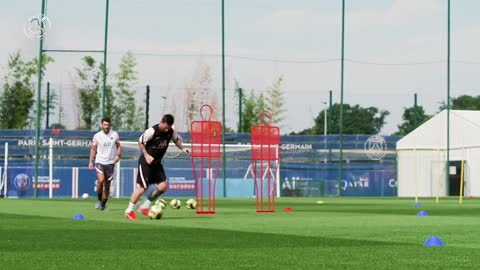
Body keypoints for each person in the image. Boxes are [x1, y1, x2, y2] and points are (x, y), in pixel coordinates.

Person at [124, 114, 190, 220]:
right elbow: (140, 141)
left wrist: (182, 148)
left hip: (157, 164)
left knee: (163, 186)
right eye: (165, 126)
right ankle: (129, 210)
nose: (167, 129)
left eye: (169, 127)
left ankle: (145, 206)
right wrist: (146, 155)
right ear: (162, 122)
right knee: (142, 188)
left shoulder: (171, 132)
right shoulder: (152, 131)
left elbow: (176, 140)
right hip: (146, 163)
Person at [89, 117, 122, 211]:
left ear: (110, 125)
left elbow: (119, 146)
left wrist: (118, 155)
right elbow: (93, 149)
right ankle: (99, 200)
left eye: (108, 125)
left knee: (107, 185)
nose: (106, 126)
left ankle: (103, 204)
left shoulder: (115, 134)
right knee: (101, 180)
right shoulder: (97, 136)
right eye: (104, 125)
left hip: (110, 163)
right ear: (102, 125)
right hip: (100, 161)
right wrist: (91, 161)